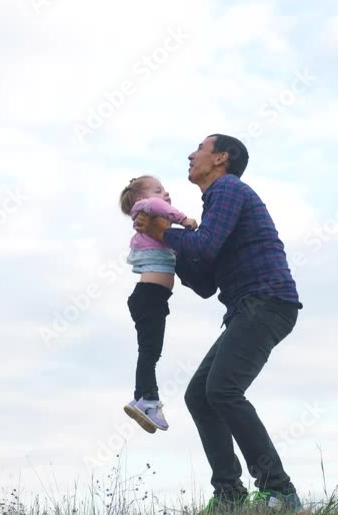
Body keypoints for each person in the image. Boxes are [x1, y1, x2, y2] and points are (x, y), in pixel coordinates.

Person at [135, 134, 304, 512]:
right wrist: (165, 250)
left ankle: (280, 490)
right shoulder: (215, 203)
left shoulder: (228, 188)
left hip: (266, 302)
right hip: (249, 307)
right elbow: (207, 283)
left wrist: (163, 232)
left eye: (200, 149)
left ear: (221, 158)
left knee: (223, 390)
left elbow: (205, 247)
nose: (191, 154)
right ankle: (229, 494)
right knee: (200, 395)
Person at [119, 175, 198, 433]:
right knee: (150, 352)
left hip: (152, 297)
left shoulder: (153, 223)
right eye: (158, 189)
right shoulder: (144, 208)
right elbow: (158, 207)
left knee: (149, 351)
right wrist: (184, 219)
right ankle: (150, 400)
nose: (164, 193)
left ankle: (141, 398)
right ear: (142, 199)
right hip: (149, 295)